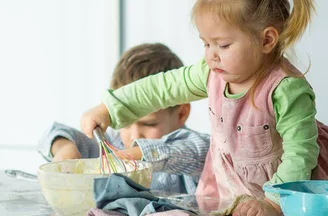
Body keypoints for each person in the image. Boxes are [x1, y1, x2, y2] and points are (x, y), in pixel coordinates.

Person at [79, 0, 328, 216]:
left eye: (223, 44)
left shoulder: (286, 88)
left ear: (267, 40)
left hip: (295, 190)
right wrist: (110, 107)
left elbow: (300, 153)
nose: (211, 54)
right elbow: (161, 88)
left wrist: (274, 202)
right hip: (235, 187)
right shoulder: (212, 72)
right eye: (206, 43)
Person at [43, 43, 210, 194]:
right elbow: (56, 133)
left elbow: (198, 150)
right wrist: (64, 147)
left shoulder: (192, 150)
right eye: (126, 124)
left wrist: (132, 156)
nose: (135, 136)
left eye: (149, 124)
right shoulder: (114, 144)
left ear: (181, 113)